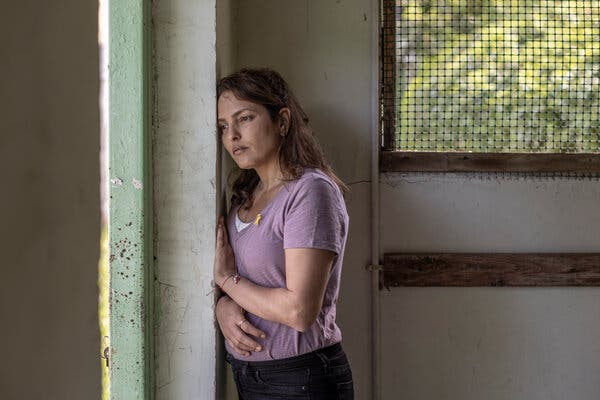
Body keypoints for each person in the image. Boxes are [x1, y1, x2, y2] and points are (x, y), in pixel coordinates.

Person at [213, 68, 354, 399]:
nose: (232, 135)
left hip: (301, 380)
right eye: (222, 126)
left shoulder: (310, 191)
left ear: (283, 121)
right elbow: (250, 282)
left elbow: (299, 312)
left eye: (244, 118)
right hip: (251, 376)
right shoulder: (245, 197)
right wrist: (223, 305)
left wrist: (226, 280)